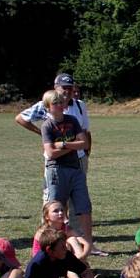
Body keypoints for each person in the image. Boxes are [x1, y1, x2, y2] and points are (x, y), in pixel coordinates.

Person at [39, 89, 95, 251]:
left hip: (75, 168)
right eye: (55, 103)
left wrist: (63, 144)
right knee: (56, 208)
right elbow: (51, 153)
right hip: (56, 170)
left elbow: (84, 143)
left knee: (84, 206)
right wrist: (72, 145)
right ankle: (52, 243)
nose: (60, 105)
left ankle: (88, 244)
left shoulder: (72, 120)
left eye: (61, 101)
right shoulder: (47, 126)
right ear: (48, 107)